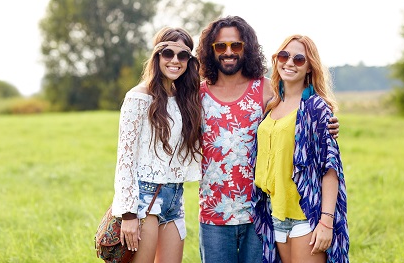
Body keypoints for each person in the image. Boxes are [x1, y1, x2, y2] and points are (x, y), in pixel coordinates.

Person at [196, 16, 340, 263]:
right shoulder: (198, 94)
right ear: (210, 51)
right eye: (221, 46)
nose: (228, 52)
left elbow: (305, 114)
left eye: (236, 45)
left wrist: (330, 123)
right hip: (214, 215)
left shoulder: (265, 90)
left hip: (260, 214)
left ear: (247, 48)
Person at [250, 34, 349, 263]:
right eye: (284, 56)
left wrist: (326, 221)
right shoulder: (272, 106)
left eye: (299, 59)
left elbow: (330, 169)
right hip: (276, 214)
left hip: (307, 215)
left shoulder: (316, 108)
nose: (289, 63)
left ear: (309, 68)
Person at [111, 27, 202, 263]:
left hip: (175, 197)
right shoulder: (138, 97)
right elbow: (125, 159)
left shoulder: (186, 99)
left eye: (182, 55)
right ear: (157, 56)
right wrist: (128, 214)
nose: (175, 60)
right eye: (168, 53)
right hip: (143, 199)